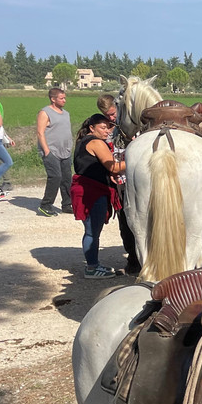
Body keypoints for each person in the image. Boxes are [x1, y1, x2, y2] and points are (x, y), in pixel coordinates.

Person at [71, 113, 126, 278]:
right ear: (92, 128)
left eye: (109, 127)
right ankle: (92, 267)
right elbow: (114, 167)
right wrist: (135, 159)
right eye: (103, 127)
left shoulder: (84, 141)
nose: (107, 131)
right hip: (92, 191)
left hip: (88, 189)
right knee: (92, 232)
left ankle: (93, 264)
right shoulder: (96, 142)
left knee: (91, 231)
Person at [96, 94, 140, 274]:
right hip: (120, 179)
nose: (112, 119)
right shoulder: (107, 130)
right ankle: (133, 257)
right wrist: (109, 171)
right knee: (125, 220)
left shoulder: (136, 127)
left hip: (138, 177)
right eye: (108, 116)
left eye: (113, 114)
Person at [36, 87, 73, 217]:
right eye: (61, 98)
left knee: (67, 178)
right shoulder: (45, 113)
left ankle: (67, 204)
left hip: (65, 151)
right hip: (51, 151)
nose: (64, 100)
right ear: (53, 99)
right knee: (55, 177)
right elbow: (40, 133)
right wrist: (46, 151)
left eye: (65, 98)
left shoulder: (66, 113)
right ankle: (45, 205)